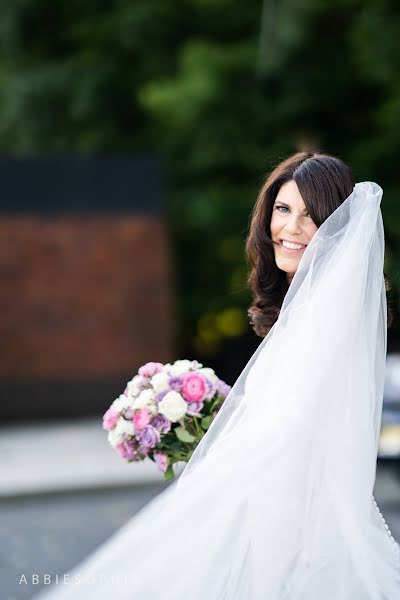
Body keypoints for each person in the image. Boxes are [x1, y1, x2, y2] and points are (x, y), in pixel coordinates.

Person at [36, 151, 400, 600]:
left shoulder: (328, 315)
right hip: (282, 514)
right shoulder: (307, 306)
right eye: (283, 210)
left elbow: (292, 433)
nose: (291, 228)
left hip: (296, 527)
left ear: (336, 225)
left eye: (312, 216)